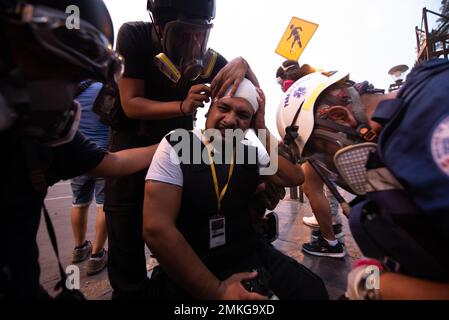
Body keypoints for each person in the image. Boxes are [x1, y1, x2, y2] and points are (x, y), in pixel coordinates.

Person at [0, 0, 159, 299]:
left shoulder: (44, 139)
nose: (64, 95)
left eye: (74, 76)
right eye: (52, 63)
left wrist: (166, 145)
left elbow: (114, 163)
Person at [104, 0, 259, 299]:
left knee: (181, 235)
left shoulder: (212, 62)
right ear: (159, 25)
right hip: (133, 148)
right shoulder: (135, 36)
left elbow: (249, 97)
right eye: (183, 34)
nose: (194, 42)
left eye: (201, 33)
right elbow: (130, 103)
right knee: (126, 236)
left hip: (180, 156)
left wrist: (244, 65)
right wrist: (182, 106)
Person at [142, 78, 329, 300]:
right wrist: (218, 292)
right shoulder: (179, 143)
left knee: (312, 291)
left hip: (246, 251)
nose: (230, 120)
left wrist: (261, 128)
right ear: (209, 109)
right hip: (192, 258)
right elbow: (157, 229)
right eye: (223, 108)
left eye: (243, 116)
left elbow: (294, 177)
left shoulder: (247, 151)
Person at [276, 60, 449, 299]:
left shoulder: (425, 128)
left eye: (321, 152)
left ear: (340, 117)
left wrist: (377, 288)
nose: (329, 166)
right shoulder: (405, 124)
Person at [275, 61, 345, 258]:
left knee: (311, 188)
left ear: (287, 82)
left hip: (315, 143)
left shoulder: (300, 92)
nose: (281, 88)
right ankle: (332, 229)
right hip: (325, 141)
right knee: (315, 188)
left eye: (281, 84)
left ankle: (330, 243)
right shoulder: (315, 83)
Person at [70, 81, 109, 276]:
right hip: (103, 156)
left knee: (79, 203)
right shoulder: (107, 90)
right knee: (104, 206)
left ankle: (79, 248)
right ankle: (96, 256)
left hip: (77, 154)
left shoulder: (76, 90)